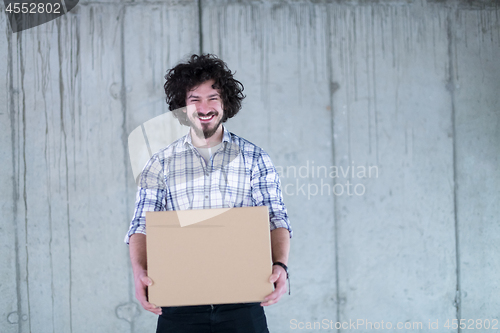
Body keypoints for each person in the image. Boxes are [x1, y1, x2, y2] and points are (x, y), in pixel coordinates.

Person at [125, 54, 292, 333]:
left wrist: (281, 265)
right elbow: (142, 225)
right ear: (182, 106)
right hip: (179, 304)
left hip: (243, 303)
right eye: (194, 99)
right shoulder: (160, 162)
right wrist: (139, 271)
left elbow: (276, 218)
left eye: (213, 98)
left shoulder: (254, 158)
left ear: (225, 103)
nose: (204, 107)